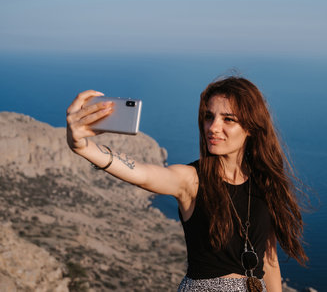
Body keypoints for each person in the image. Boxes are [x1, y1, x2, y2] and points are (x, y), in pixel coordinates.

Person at [66, 76, 308, 292]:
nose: (213, 127)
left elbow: (269, 260)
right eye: (209, 116)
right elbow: (144, 175)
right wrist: (83, 147)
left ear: (251, 128)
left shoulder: (265, 184)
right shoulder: (191, 179)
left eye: (228, 119)